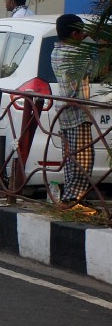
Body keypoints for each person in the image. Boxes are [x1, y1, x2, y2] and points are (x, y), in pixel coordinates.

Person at [51, 14, 95, 210]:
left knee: (71, 157)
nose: (83, 35)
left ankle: (71, 195)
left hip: (65, 111)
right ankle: (75, 198)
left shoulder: (56, 51)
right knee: (84, 157)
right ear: (74, 33)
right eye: (81, 32)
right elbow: (96, 70)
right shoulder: (76, 55)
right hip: (77, 111)